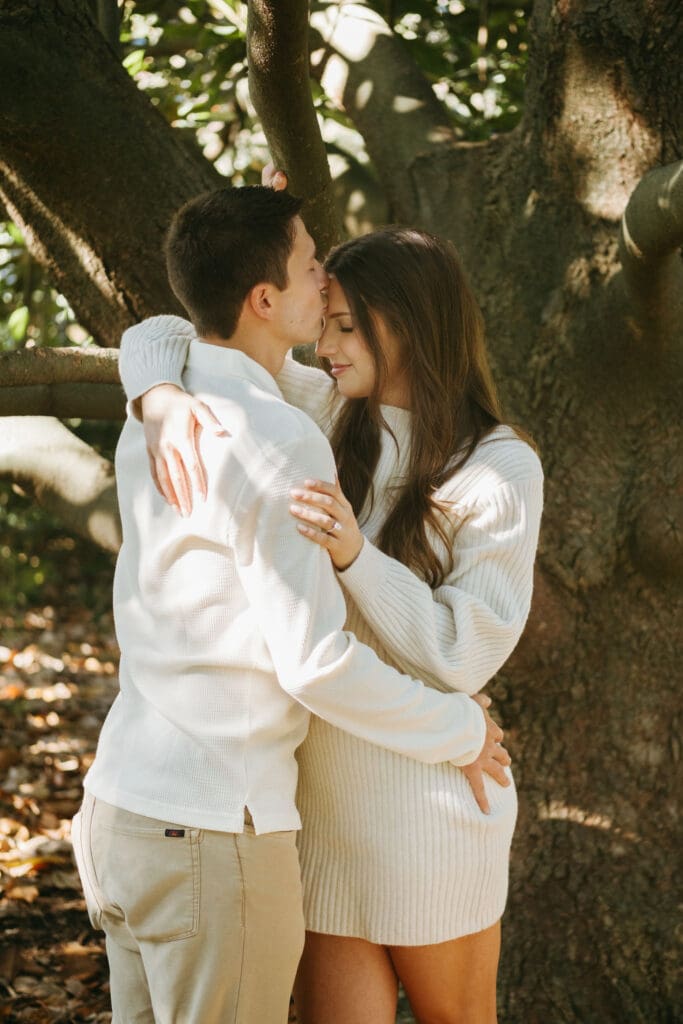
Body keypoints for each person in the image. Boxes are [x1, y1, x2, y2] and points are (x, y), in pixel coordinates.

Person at [72, 184, 511, 1024]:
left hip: (122, 810)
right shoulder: (279, 433)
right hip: (213, 829)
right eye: (312, 268)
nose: (325, 283)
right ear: (266, 298)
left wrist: (156, 393)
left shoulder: (167, 403)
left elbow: (161, 331)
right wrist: (462, 731)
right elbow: (313, 662)